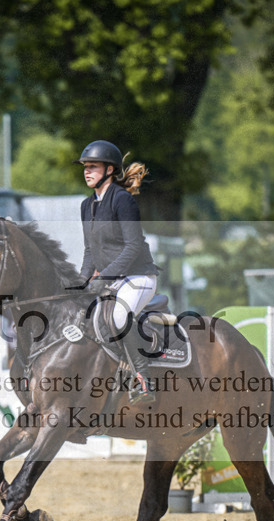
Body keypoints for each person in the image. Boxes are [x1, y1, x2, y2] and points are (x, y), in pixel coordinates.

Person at [76, 140, 159, 405]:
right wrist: (80, 283)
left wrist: (103, 277)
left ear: (110, 169)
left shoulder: (122, 200)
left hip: (139, 277)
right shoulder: (87, 206)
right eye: (85, 167)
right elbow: (90, 251)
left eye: (93, 167)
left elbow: (133, 246)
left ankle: (144, 381)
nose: (87, 171)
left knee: (120, 316)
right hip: (112, 280)